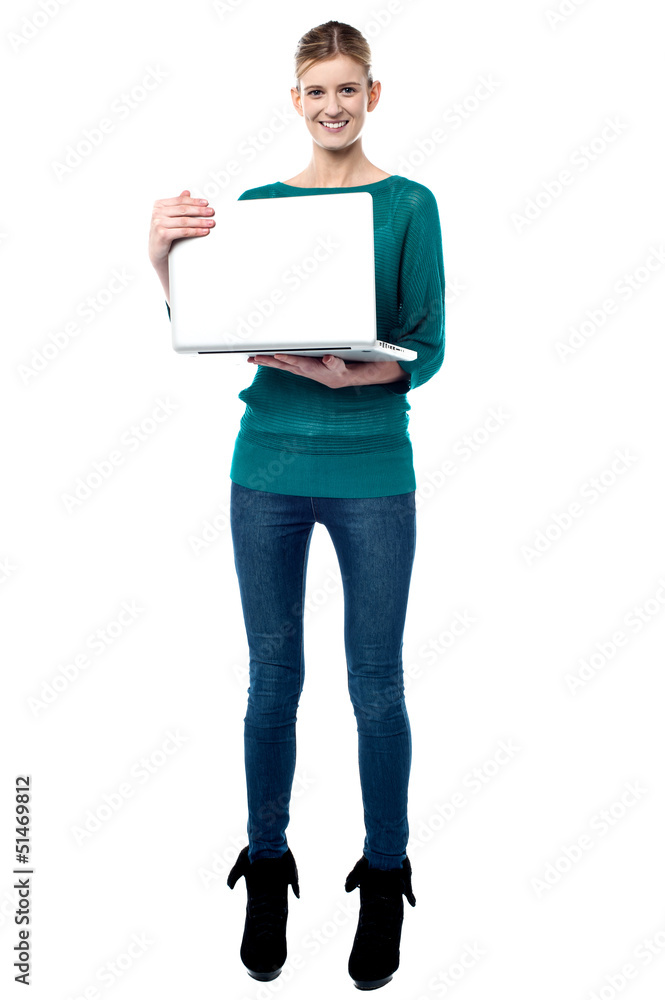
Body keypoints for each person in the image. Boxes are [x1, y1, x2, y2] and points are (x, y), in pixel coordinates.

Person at [148, 19, 444, 991]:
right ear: (293, 100)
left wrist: (355, 377)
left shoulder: (407, 204)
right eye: (315, 91)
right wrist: (163, 262)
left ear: (371, 95)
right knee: (271, 678)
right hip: (265, 465)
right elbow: (215, 320)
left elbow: (426, 344)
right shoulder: (258, 208)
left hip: (371, 472)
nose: (331, 106)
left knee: (375, 684)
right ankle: (266, 864)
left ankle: (384, 869)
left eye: (347, 90)